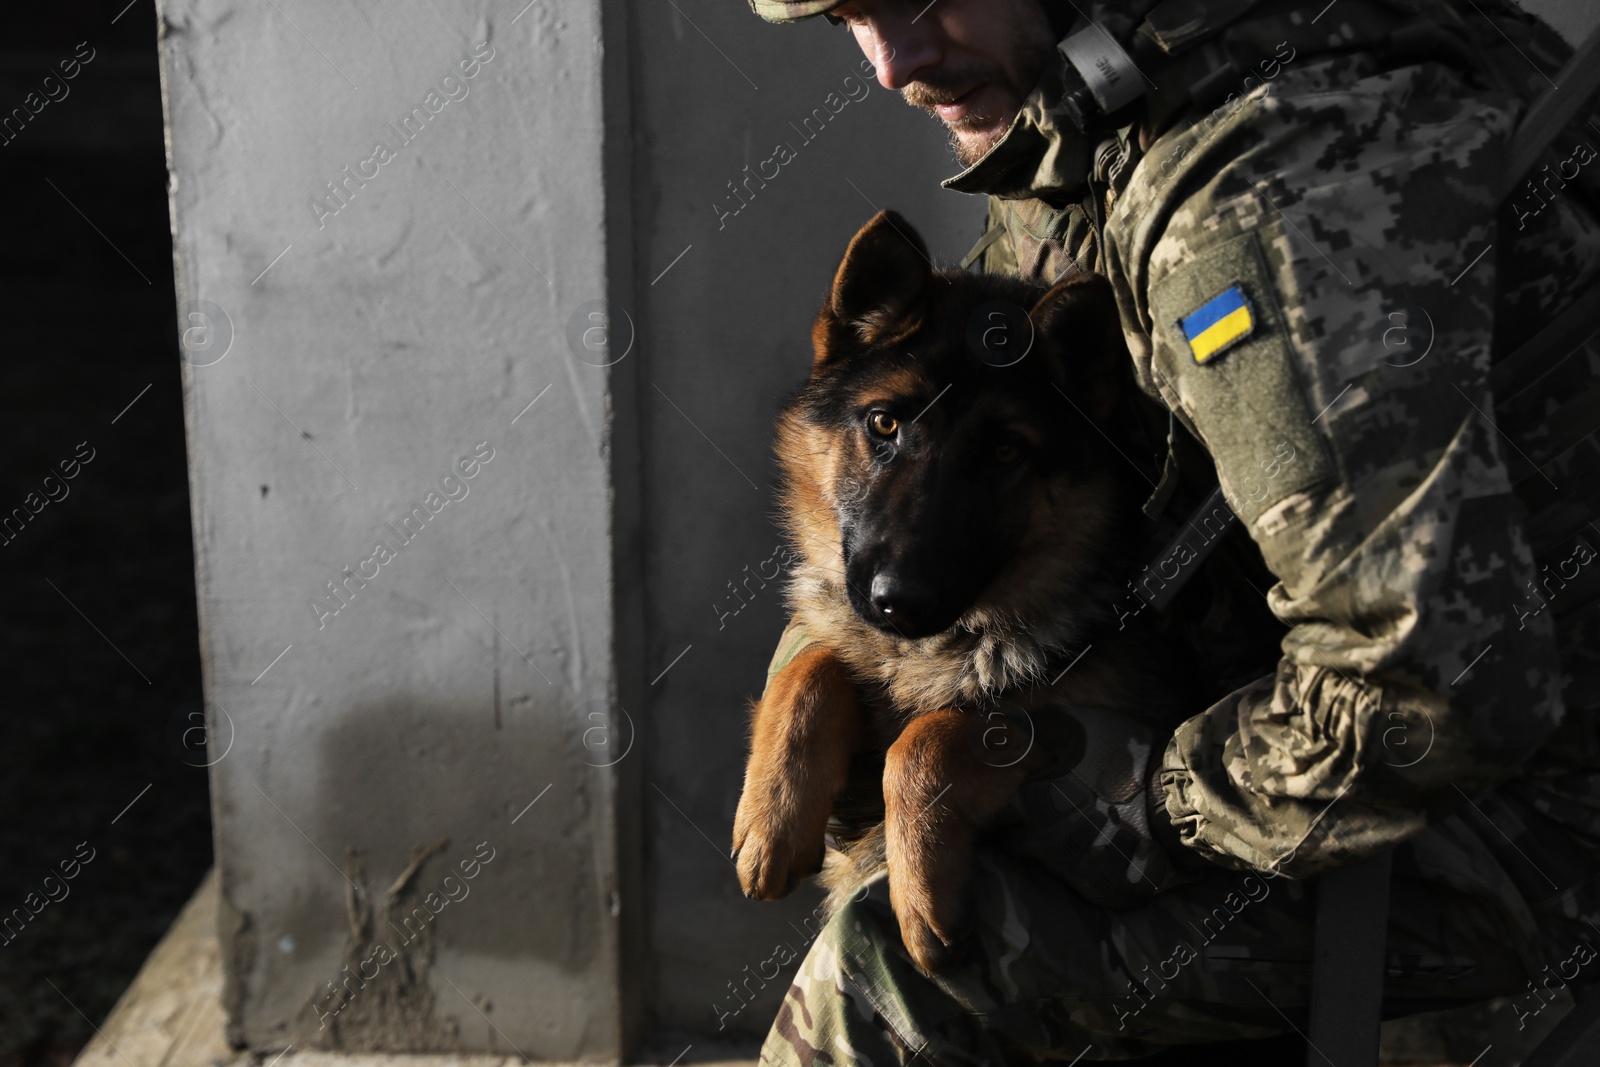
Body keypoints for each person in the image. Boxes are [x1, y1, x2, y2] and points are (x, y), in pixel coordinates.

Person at [742, 0, 1600, 1062]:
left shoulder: (1253, 188)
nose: (891, 63)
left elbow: (1421, 683)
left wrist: (1111, 793)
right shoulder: (1116, 101)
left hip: (1516, 833)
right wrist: (828, 681)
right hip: (1368, 767)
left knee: (902, 971)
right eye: (849, 21)